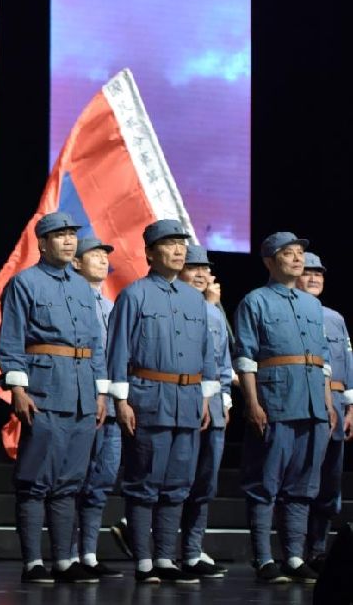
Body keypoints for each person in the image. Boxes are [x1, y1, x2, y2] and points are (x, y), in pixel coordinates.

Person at [105, 219, 219, 585]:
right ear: (150, 253)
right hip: (149, 398)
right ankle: (144, 561)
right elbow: (117, 350)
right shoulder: (134, 295)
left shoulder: (194, 299)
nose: (179, 250)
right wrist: (121, 400)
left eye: (181, 243)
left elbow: (206, 352)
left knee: (178, 484)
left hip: (188, 400)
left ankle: (166, 559)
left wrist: (205, 396)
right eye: (170, 244)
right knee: (145, 482)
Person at [0, 212, 108, 584]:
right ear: (42, 243)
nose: (69, 240)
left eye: (72, 235)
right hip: (44, 392)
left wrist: (100, 392)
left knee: (70, 482)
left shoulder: (83, 287)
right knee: (35, 480)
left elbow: (95, 345)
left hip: (82, 395)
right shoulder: (25, 283)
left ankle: (63, 560)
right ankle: (33, 562)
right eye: (60, 235)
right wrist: (17, 389)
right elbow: (11, 340)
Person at [234, 232, 337, 584]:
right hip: (276, 400)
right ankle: (264, 558)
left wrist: (327, 401)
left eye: (299, 253)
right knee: (265, 481)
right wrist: (252, 402)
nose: (297, 259)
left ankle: (293, 557)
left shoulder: (312, 305)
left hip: (312, 404)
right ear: (269, 261)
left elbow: (323, 360)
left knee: (304, 484)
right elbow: (245, 357)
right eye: (288, 253)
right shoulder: (255, 301)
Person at [179, 244, 235, 577]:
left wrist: (225, 400)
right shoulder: (170, 306)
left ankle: (192, 551)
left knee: (205, 484)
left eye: (205, 268)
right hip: (179, 404)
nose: (201, 274)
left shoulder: (214, 313)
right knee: (175, 482)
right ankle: (163, 552)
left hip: (212, 410)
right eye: (193, 267)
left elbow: (223, 363)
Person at [70, 235, 123, 577]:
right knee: (73, 481)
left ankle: (88, 554)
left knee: (101, 482)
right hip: (80, 403)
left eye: (105, 255)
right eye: (95, 255)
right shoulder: (71, 302)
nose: (103, 260)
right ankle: (68, 555)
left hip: (112, 408)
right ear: (76, 262)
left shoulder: (111, 305)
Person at [297, 253, 353, 571]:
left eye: (319, 273)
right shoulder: (289, 314)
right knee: (303, 477)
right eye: (307, 272)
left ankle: (317, 550)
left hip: (337, 404)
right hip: (305, 403)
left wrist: (350, 405)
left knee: (330, 483)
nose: (314, 278)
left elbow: (347, 361)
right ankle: (294, 551)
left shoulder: (334, 318)